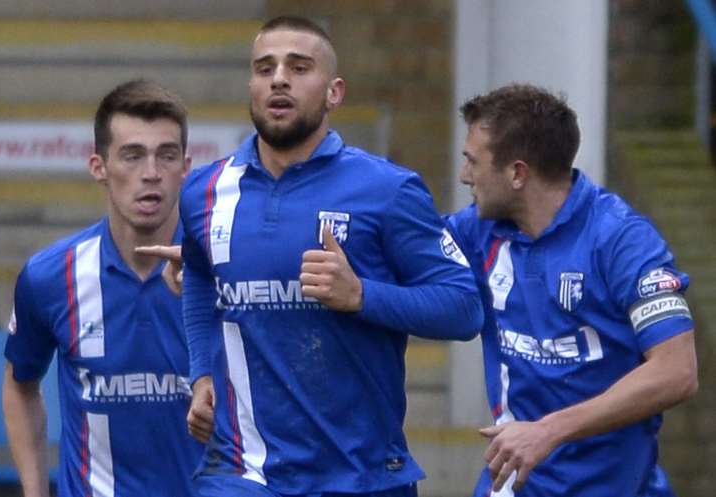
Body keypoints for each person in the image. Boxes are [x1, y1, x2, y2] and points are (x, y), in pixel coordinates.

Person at [175, 15, 484, 497]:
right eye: (264, 68)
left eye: (299, 67)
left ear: (334, 93)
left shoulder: (388, 190)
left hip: (360, 475)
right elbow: (196, 274)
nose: (279, 78)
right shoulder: (204, 191)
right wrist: (201, 374)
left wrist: (362, 295)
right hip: (242, 472)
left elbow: (464, 309)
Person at [445, 84, 698, 497]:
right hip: (514, 486)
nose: (464, 176)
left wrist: (548, 431)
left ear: (517, 173)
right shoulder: (477, 231)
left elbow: (677, 372)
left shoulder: (622, 240)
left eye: (473, 162)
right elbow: (405, 254)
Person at [2, 79, 203, 497]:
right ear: (99, 167)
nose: (151, 173)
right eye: (132, 155)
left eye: (166, 156)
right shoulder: (50, 278)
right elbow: (21, 385)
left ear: (186, 166)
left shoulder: (221, 270)